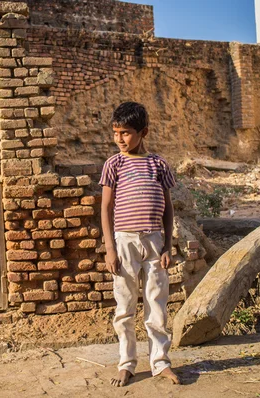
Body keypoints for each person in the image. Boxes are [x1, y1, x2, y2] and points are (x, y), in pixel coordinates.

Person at [99, 102, 181, 387]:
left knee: (156, 305)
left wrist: (168, 245)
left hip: (154, 241)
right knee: (124, 306)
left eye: (126, 133)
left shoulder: (157, 164)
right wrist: (110, 248)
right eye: (116, 132)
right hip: (124, 242)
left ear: (143, 132)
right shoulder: (114, 164)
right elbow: (106, 208)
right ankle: (127, 364)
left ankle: (160, 363)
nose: (120, 138)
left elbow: (168, 208)